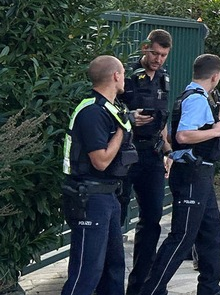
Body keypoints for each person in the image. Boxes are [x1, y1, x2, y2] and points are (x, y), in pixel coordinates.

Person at [139, 54, 220, 295]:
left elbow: (194, 129)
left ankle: (210, 288)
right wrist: (216, 131)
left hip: (201, 174)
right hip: (191, 175)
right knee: (182, 237)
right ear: (216, 76)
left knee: (212, 232)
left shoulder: (195, 96)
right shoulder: (196, 99)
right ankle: (150, 291)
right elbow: (183, 136)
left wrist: (217, 119)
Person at [60, 56, 138, 295]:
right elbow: (101, 161)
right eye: (123, 72)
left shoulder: (110, 109)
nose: (125, 77)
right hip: (90, 199)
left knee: (113, 268)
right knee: (87, 272)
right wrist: (121, 132)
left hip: (107, 196)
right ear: (115, 75)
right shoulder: (92, 111)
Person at [118, 30, 174, 295]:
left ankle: (140, 286)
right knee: (115, 220)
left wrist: (167, 150)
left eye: (163, 55)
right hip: (125, 154)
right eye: (154, 53)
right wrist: (129, 117)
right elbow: (108, 109)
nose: (158, 59)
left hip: (152, 155)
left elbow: (162, 118)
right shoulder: (126, 75)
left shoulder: (164, 77)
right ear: (144, 48)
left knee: (151, 220)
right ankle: (107, 284)